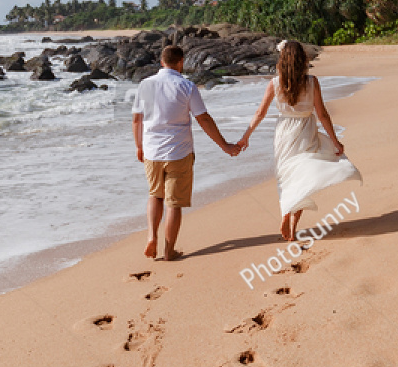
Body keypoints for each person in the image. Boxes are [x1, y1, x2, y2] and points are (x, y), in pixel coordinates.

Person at [237, 39, 362, 240]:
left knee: (287, 178)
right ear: (302, 59)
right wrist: (335, 141)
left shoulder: (275, 84)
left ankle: (285, 213)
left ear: (282, 60)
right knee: (303, 178)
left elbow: (260, 113)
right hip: (306, 131)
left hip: (284, 133)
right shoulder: (311, 82)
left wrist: (245, 137)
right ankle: (293, 226)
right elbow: (322, 115)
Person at [133, 45, 241, 260]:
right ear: (181, 62)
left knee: (155, 195)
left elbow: (137, 119)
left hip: (152, 151)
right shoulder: (187, 86)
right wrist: (224, 145)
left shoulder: (145, 85)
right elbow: (203, 119)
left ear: (162, 62)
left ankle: (151, 236)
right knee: (174, 203)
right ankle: (169, 250)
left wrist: (139, 146)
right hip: (178, 152)